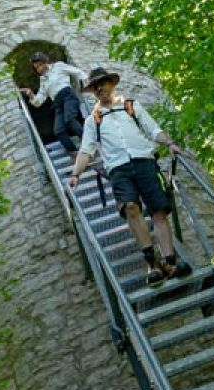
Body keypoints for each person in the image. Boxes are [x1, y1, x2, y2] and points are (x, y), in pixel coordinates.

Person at [68, 67, 191, 284]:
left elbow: (153, 130)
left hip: (145, 162)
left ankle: (170, 261)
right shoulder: (92, 120)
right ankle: (152, 263)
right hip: (118, 170)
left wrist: (170, 143)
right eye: (94, 87)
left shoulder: (131, 107)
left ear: (111, 84)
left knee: (159, 211)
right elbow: (86, 150)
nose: (99, 89)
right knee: (131, 208)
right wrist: (76, 174)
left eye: (102, 84)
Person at [20, 52, 87, 156]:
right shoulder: (43, 80)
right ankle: (75, 153)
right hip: (57, 103)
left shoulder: (58, 66)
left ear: (45, 61)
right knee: (59, 131)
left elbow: (77, 72)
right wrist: (31, 95)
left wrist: (87, 85)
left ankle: (89, 143)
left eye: (40, 65)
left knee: (69, 119)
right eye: (37, 68)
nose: (39, 69)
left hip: (68, 95)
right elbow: (38, 102)